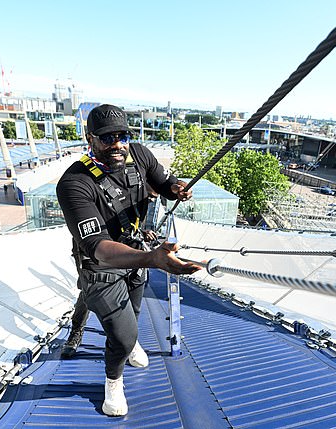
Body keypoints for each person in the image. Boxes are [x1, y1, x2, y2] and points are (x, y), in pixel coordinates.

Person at [56, 104, 199, 417]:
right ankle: (113, 382)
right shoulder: (74, 184)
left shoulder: (140, 155)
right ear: (90, 139)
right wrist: (152, 258)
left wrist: (175, 189)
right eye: (107, 138)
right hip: (102, 269)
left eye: (122, 135)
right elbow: (98, 247)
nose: (117, 143)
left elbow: (164, 183)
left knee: (133, 313)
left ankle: (128, 344)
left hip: (136, 256)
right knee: (123, 335)